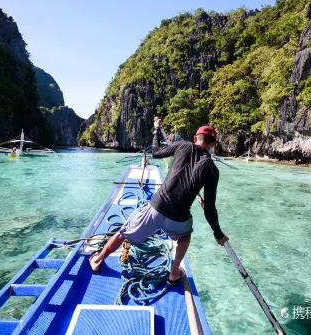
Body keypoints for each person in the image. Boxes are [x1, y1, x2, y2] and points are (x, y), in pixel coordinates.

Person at [89, 118, 229, 284]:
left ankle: (97, 261)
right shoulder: (212, 170)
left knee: (122, 233)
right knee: (185, 236)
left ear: (194, 138)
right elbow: (209, 208)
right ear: (212, 144)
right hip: (178, 218)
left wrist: (156, 130)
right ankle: (174, 273)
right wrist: (218, 234)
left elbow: (155, 152)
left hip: (156, 208)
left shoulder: (182, 145)